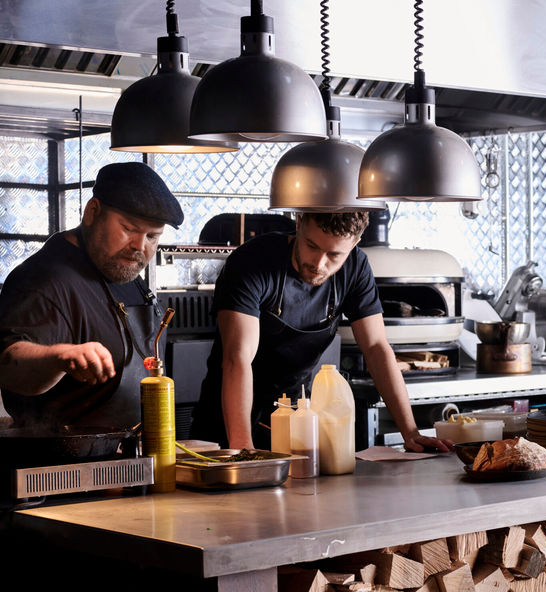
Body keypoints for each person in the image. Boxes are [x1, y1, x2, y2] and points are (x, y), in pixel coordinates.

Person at [190, 211, 449, 453]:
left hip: (292, 419)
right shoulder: (253, 262)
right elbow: (237, 358)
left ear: (355, 242)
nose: (319, 263)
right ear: (299, 223)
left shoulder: (356, 267)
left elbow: (376, 348)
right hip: (226, 426)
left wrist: (410, 432)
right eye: (312, 246)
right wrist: (242, 450)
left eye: (334, 255)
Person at [0, 162, 183, 429]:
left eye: (152, 236)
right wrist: (59, 357)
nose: (139, 246)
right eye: (129, 229)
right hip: (60, 463)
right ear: (92, 211)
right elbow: (8, 362)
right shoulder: (44, 279)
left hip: (126, 456)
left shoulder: (120, 267)